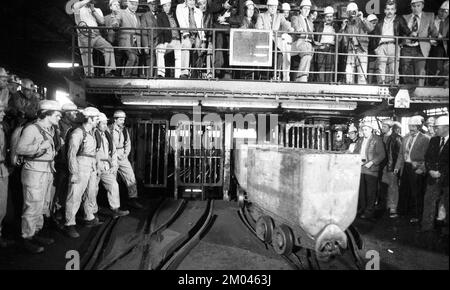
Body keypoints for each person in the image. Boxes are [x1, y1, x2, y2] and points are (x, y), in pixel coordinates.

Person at [16, 100, 61, 253]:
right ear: (46, 114)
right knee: (32, 205)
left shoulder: (50, 129)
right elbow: (20, 148)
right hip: (34, 171)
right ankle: (26, 237)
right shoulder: (32, 129)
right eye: (57, 115)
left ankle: (35, 232)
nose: (59, 117)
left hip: (46, 170)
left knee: (42, 205)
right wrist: (41, 146)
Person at [64, 107, 102, 239]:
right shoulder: (78, 133)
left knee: (91, 193)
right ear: (90, 119)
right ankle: (69, 224)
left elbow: (95, 151)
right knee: (75, 195)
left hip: (91, 165)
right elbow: (71, 154)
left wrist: (97, 166)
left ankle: (89, 217)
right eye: (96, 118)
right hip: (80, 164)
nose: (98, 121)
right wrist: (73, 172)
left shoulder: (92, 132)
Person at [395, 115, 430, 223]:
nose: (411, 128)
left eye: (414, 126)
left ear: (419, 127)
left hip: (416, 168)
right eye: (410, 126)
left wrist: (423, 169)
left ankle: (417, 215)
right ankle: (402, 212)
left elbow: (428, 157)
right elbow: (401, 154)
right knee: (404, 190)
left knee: (416, 192)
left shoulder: (425, 139)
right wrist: (397, 167)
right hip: (406, 166)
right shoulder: (406, 137)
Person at [95, 113, 129, 217]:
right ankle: (91, 214)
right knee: (92, 190)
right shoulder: (92, 134)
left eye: (106, 123)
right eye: (103, 123)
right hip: (95, 167)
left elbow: (113, 151)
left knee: (114, 185)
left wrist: (114, 165)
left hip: (106, 166)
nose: (105, 125)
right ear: (97, 124)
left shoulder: (106, 135)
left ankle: (115, 209)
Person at [421, 115, 448, 236]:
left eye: (437, 127)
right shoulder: (434, 140)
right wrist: (431, 170)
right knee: (429, 201)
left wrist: (441, 172)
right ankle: (426, 228)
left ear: (446, 128)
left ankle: (446, 230)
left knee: (447, 204)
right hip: (432, 177)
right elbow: (427, 157)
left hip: (447, 179)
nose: (435, 129)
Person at [73, 0, 117, 77]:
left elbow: (102, 21)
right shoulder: (78, 6)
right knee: (87, 53)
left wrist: (93, 10)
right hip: (84, 34)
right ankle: (89, 73)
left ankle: (109, 71)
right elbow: (76, 6)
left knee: (108, 47)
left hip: (96, 33)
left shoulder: (97, 10)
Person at [372, 1, 412, 85]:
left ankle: (394, 89)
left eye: (392, 9)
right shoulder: (380, 21)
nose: (390, 11)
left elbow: (406, 30)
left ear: (395, 10)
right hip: (381, 46)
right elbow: (374, 35)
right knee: (380, 69)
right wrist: (376, 48)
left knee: (393, 69)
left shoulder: (399, 19)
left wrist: (409, 36)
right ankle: (381, 87)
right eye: (388, 9)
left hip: (393, 45)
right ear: (384, 10)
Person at [401, 0, 438, 87]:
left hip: (421, 48)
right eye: (414, 6)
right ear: (411, 6)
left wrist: (437, 36)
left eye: (418, 6)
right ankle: (408, 94)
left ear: (422, 6)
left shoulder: (429, 16)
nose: (416, 8)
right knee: (406, 72)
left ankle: (419, 92)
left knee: (420, 72)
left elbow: (433, 32)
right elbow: (401, 31)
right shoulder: (405, 17)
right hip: (407, 48)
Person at [110, 110, 143, 209]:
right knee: (112, 182)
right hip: (111, 156)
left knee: (131, 177)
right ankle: (114, 206)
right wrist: (114, 155)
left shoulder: (124, 130)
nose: (123, 121)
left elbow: (128, 143)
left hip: (122, 156)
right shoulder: (109, 129)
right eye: (120, 119)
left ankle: (133, 199)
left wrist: (125, 154)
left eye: (123, 119)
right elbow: (107, 143)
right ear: (115, 120)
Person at [53, 103, 80, 223]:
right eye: (73, 112)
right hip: (59, 162)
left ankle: (60, 212)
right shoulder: (58, 125)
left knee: (64, 189)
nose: (75, 115)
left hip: (65, 162)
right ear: (66, 113)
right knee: (57, 189)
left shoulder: (70, 125)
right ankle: (54, 215)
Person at [354, 122, 386, 219]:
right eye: (363, 130)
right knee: (362, 191)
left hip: (371, 170)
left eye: (366, 129)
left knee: (370, 192)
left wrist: (372, 162)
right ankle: (363, 208)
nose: (364, 132)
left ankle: (369, 211)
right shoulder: (360, 140)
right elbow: (356, 152)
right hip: (361, 168)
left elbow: (382, 155)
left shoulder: (377, 140)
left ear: (371, 129)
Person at [256, 0, 293, 80]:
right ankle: (267, 75)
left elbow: (285, 23)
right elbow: (259, 28)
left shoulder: (280, 16)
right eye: (271, 6)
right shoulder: (261, 15)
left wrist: (290, 28)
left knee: (279, 54)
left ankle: (275, 75)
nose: (273, 9)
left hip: (275, 42)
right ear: (267, 6)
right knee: (276, 53)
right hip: (264, 40)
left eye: (275, 7)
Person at [339, 2, 375, 85]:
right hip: (350, 50)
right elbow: (340, 38)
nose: (352, 14)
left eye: (354, 11)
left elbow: (371, 29)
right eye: (350, 12)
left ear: (357, 11)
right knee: (349, 74)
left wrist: (362, 19)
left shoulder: (363, 21)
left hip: (361, 50)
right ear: (347, 13)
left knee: (362, 75)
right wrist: (343, 27)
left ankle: (361, 93)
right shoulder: (346, 24)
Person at [176, 0, 206, 78]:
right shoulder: (180, 7)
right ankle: (184, 73)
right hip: (186, 33)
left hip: (196, 34)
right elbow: (181, 22)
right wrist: (186, 35)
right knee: (186, 44)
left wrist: (203, 39)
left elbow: (201, 26)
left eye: (193, 0)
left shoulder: (198, 11)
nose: (191, 2)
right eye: (190, 0)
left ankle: (195, 73)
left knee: (198, 49)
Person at [381, 120, 403, 218]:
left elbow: (399, 155)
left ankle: (393, 207)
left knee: (393, 187)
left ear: (390, 128)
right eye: (382, 126)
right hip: (382, 166)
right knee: (384, 187)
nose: (382, 128)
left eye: (385, 127)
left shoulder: (397, 138)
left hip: (391, 166)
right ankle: (386, 206)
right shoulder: (381, 137)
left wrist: (396, 167)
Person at [115, 0, 142, 77]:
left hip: (135, 43)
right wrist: (115, 24)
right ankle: (126, 77)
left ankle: (132, 78)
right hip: (126, 41)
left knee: (136, 59)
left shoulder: (136, 16)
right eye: (132, 4)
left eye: (136, 5)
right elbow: (116, 20)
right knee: (132, 58)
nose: (134, 6)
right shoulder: (121, 12)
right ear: (128, 3)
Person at [156, 0, 182, 78]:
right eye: (165, 6)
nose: (167, 7)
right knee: (159, 50)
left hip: (176, 39)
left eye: (168, 5)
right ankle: (161, 73)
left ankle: (178, 75)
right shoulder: (160, 16)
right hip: (167, 40)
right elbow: (160, 30)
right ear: (162, 7)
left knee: (179, 54)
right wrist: (164, 42)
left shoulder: (175, 15)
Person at [0, 105, 14, 248]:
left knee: (2, 208)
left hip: (2, 167)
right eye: (0, 111)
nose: (3, 113)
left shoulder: (2, 128)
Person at [314, 6, 339, 83]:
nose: (329, 18)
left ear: (333, 17)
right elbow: (315, 37)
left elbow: (339, 37)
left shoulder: (336, 26)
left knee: (329, 67)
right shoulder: (319, 26)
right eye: (327, 17)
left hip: (331, 48)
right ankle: (320, 84)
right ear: (324, 17)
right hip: (321, 48)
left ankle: (328, 84)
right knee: (320, 67)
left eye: (331, 17)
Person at [290, 0, 314, 82]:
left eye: (308, 9)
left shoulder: (310, 22)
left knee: (308, 54)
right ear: (300, 9)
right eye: (305, 8)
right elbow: (296, 28)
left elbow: (312, 36)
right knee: (308, 52)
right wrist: (298, 29)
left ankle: (301, 77)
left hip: (308, 45)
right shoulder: (295, 18)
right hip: (298, 43)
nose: (307, 11)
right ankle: (302, 77)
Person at [427, 1, 449, 86]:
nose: (443, 13)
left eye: (446, 12)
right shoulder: (431, 19)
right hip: (431, 46)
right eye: (441, 11)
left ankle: (441, 81)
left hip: (444, 47)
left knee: (443, 66)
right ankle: (433, 82)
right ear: (438, 10)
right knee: (434, 66)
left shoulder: (447, 22)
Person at [141, 0, 159, 77]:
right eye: (152, 4)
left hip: (158, 42)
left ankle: (157, 77)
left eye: (155, 4)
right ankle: (149, 77)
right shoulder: (145, 16)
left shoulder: (160, 15)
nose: (154, 6)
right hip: (149, 42)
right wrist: (145, 45)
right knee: (150, 60)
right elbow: (144, 31)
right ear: (148, 5)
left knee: (158, 61)